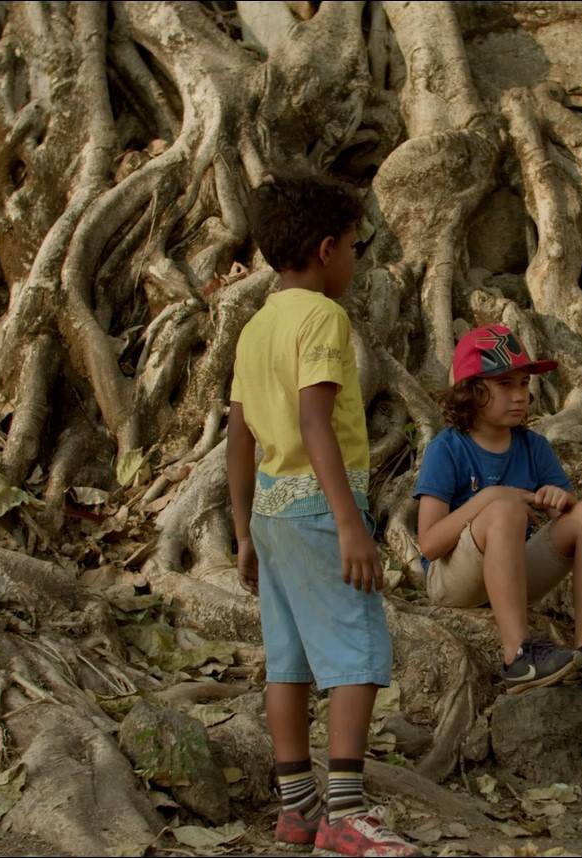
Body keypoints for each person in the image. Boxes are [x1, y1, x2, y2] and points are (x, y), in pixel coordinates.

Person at [227, 174, 416, 856]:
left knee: (288, 663)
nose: (358, 261)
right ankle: (345, 813)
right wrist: (348, 523)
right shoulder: (323, 319)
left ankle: (296, 807)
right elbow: (316, 423)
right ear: (328, 248)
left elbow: (239, 437)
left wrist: (244, 530)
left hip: (273, 515)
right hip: (316, 506)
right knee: (356, 653)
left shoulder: (255, 328)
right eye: (357, 248)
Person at [413, 324, 582, 694]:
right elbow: (429, 545)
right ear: (472, 393)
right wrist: (489, 498)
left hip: (511, 575)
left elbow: (569, 519)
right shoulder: (447, 448)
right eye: (505, 385)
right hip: (452, 581)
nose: (520, 396)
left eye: (524, 385)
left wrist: (562, 502)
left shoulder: (533, 446)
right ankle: (519, 655)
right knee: (504, 508)